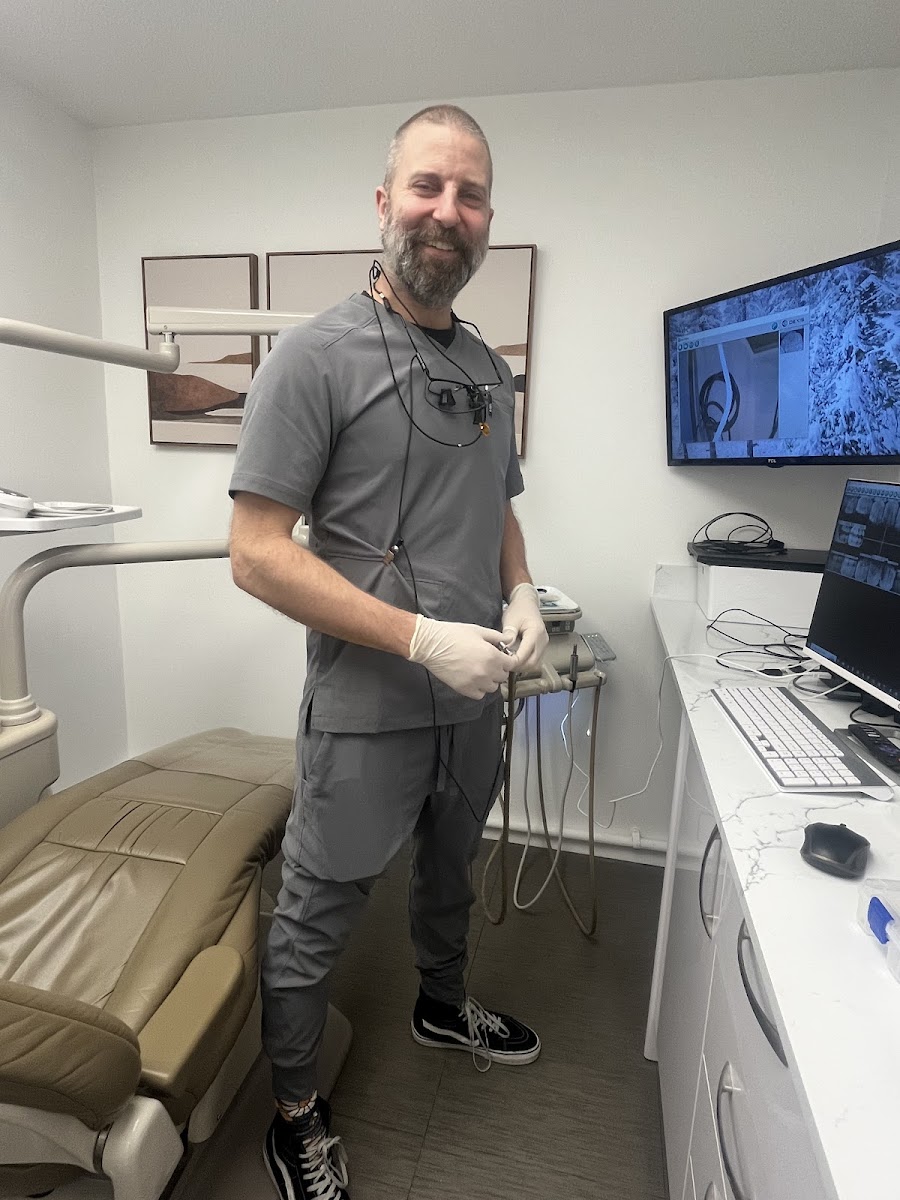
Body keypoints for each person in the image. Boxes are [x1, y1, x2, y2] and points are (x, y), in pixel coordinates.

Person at [228, 104, 548, 1200]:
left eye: (470, 194)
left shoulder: (490, 369)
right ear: (384, 203)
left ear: (488, 219)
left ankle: (440, 1003)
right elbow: (256, 554)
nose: (446, 212)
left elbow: (498, 503)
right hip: (368, 706)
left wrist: (519, 589)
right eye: (426, 186)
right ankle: (294, 1116)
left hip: (473, 702)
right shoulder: (312, 358)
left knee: (452, 874)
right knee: (315, 918)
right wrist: (417, 637)